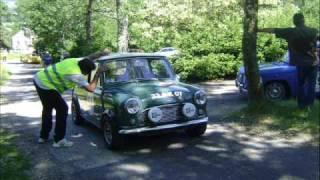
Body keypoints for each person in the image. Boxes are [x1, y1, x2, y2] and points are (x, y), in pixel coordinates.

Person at [33, 51, 109, 148]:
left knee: (48, 108)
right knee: (62, 109)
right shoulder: (76, 75)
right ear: (84, 70)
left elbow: (90, 56)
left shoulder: (77, 61)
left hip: (39, 79)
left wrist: (102, 53)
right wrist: (98, 73)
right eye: (88, 72)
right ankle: (59, 140)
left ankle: (43, 136)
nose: (87, 74)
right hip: (45, 85)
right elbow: (91, 88)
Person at [258, 13, 319, 109]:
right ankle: (310, 106)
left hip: (301, 63)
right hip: (314, 62)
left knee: (301, 84)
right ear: (304, 20)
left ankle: (302, 106)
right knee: (311, 84)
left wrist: (258, 30)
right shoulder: (313, 31)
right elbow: (315, 44)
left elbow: (273, 30)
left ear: (294, 21)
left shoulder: (290, 32)